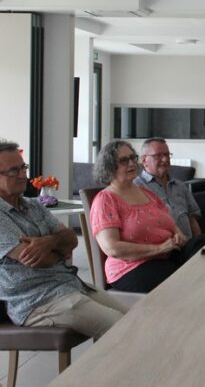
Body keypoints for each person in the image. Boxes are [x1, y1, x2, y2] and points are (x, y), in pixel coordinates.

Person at [0, 139, 126, 338]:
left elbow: (71, 240)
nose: (23, 175)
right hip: (37, 301)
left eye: (23, 167)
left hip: (70, 285)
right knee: (122, 328)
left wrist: (49, 242)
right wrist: (58, 247)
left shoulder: (33, 206)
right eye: (13, 171)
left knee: (134, 318)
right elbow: (38, 259)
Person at [90, 140, 203, 293]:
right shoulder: (106, 199)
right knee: (185, 279)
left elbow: (171, 223)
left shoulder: (147, 193)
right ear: (109, 167)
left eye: (132, 158)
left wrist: (178, 234)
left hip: (165, 255)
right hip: (131, 267)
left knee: (203, 245)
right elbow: (112, 248)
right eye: (124, 160)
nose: (131, 163)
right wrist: (159, 248)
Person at [134, 137, 204, 240]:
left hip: (188, 246)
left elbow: (192, 218)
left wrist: (200, 244)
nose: (165, 159)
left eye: (167, 155)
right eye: (158, 156)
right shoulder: (136, 188)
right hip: (162, 249)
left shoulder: (180, 185)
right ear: (144, 160)